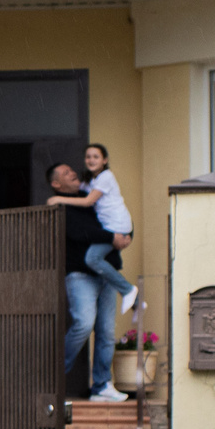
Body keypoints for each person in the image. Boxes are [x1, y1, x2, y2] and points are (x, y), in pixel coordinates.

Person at [50, 162, 125, 404]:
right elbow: (79, 232)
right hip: (80, 274)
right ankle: (53, 380)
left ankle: (102, 385)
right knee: (83, 323)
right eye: (65, 173)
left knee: (106, 331)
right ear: (55, 184)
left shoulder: (91, 198)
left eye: (72, 171)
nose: (72, 173)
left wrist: (124, 234)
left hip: (107, 273)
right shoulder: (59, 205)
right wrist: (111, 237)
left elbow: (113, 217)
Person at [49, 142, 141, 321]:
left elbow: (88, 202)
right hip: (115, 228)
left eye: (96, 157)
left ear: (105, 160)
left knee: (92, 258)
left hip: (118, 226)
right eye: (88, 157)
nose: (91, 160)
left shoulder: (105, 178)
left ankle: (129, 291)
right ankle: (136, 301)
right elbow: (83, 192)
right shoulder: (94, 183)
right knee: (94, 259)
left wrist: (57, 199)